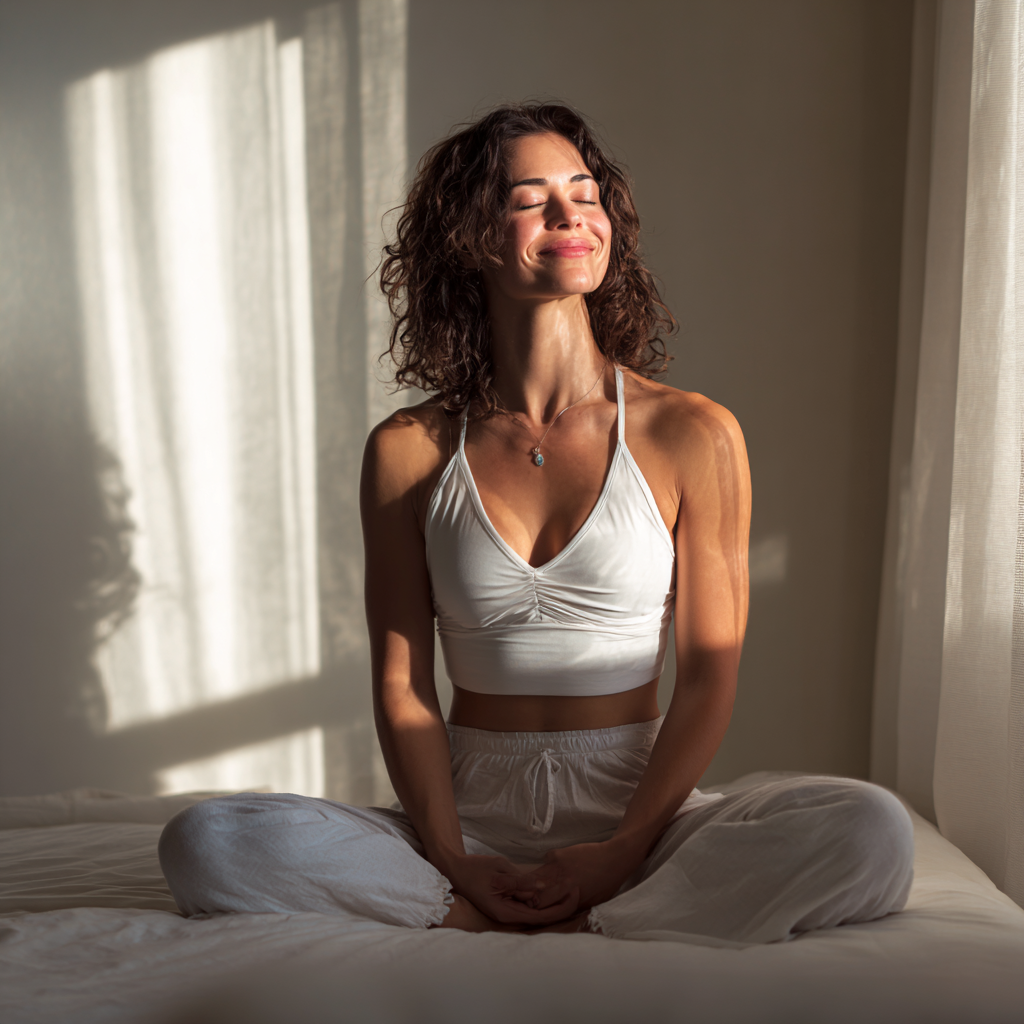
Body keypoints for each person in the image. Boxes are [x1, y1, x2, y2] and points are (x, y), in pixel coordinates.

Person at [159, 103, 913, 942]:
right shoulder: (409, 449)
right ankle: (469, 913)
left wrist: (622, 852)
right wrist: (453, 857)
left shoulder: (692, 433)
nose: (571, 216)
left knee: (871, 829)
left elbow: (708, 677)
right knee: (206, 841)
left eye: (585, 195)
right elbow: (404, 688)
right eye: (531, 200)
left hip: (643, 816)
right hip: (468, 813)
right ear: (469, 236)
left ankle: (597, 913)